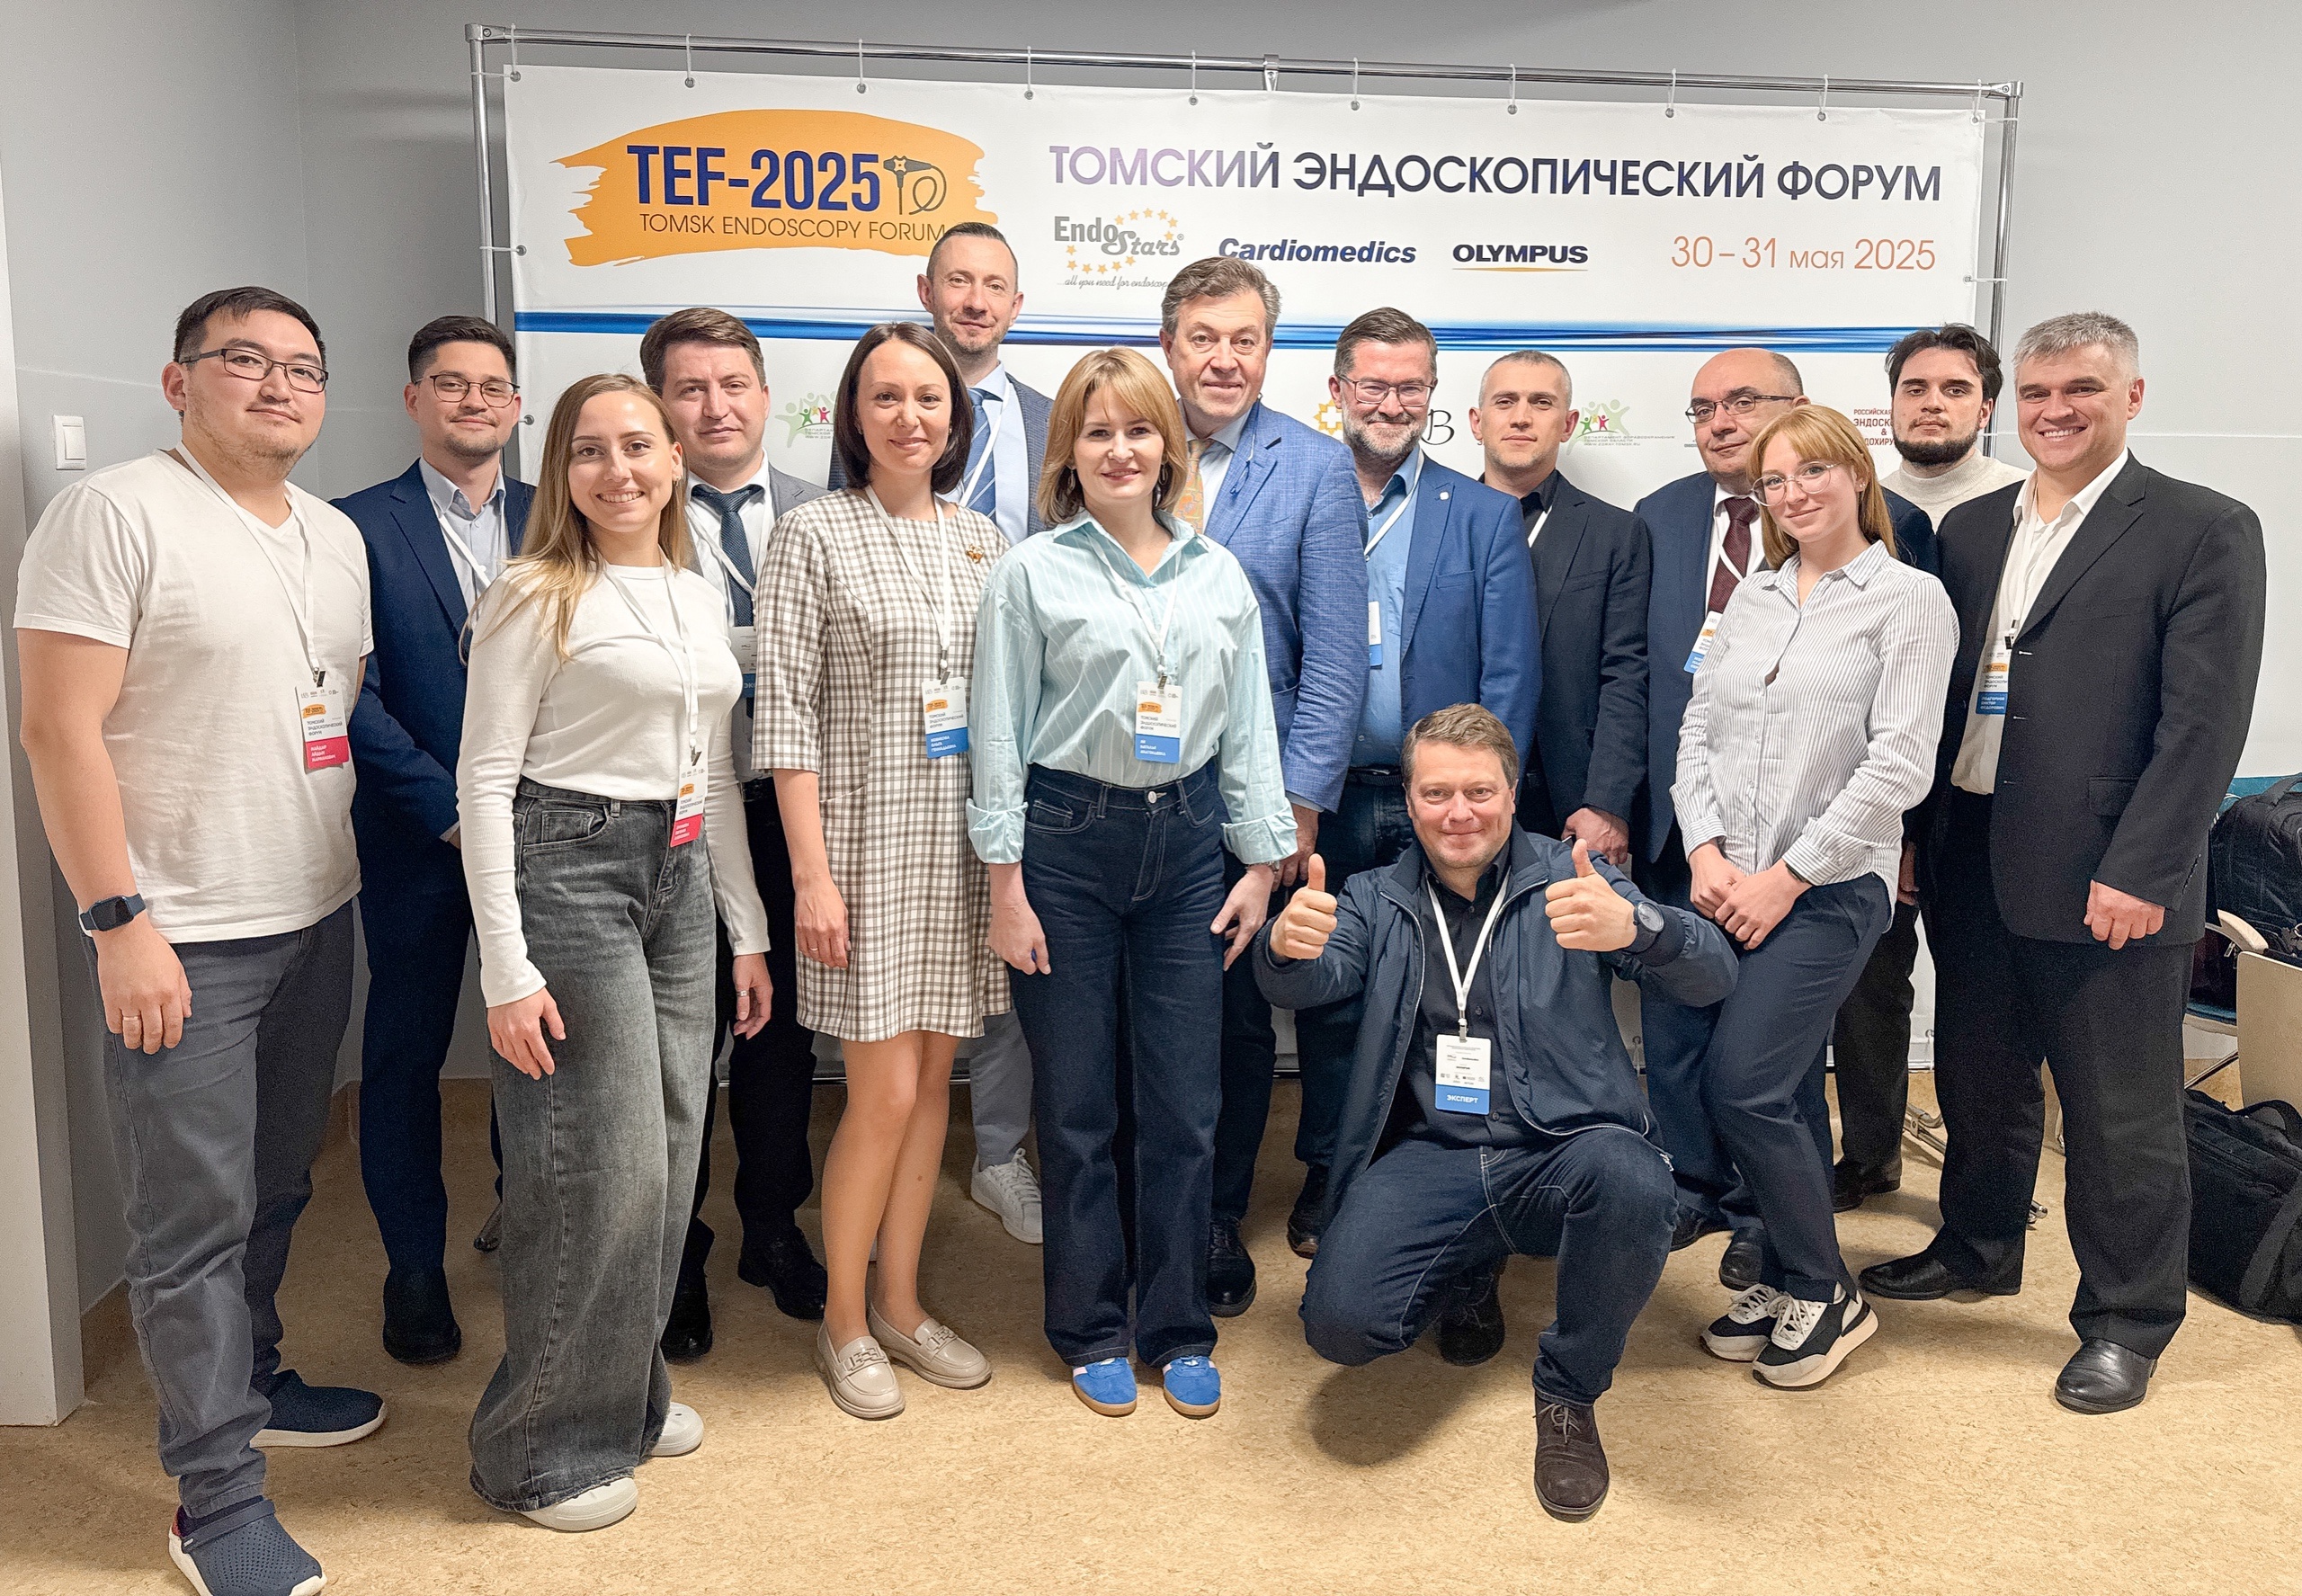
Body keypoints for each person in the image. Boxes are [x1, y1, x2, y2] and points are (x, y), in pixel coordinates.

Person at [15, 285, 383, 1596]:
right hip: (183, 935)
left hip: (316, 911)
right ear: (180, 382)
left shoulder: (335, 536)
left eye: (304, 367)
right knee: (190, 1222)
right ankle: (214, 1498)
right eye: (245, 360)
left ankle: (257, 1379)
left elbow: (325, 706)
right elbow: (56, 727)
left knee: (277, 1181)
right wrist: (116, 919)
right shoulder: (113, 513)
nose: (279, 385)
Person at [1863, 312, 2267, 1415]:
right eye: (2038, 392)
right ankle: (1979, 1243)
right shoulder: (1973, 526)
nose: (2056, 410)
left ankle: (2127, 1318)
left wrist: (2144, 867)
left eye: (2081, 389)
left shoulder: (2200, 526)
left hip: (2108, 874)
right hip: (1970, 848)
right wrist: (1909, 834)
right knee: (1979, 1075)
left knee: (2115, 1112)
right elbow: (1941, 694)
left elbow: (2203, 725)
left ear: (2129, 396)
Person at [1261, 704, 1734, 1521]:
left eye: (1479, 791)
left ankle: (1569, 1391)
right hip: (1434, 1152)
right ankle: (1469, 1265)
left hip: (1564, 1146)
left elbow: (1714, 972)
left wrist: (1642, 927)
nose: (1459, 812)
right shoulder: (1375, 896)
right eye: (1436, 792)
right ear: (1409, 801)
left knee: (1634, 1183)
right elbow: (1311, 977)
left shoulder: (1573, 876)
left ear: (1513, 795)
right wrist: (1283, 949)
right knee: (1340, 1325)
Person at [458, 372, 770, 1531]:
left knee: (675, 1151)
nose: (617, 469)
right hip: (569, 868)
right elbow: (484, 778)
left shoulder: (694, 588)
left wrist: (747, 927)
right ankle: (536, 1449)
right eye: (589, 450)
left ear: (675, 459)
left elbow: (711, 774)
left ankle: (623, 1399)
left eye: (638, 445)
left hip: (676, 873)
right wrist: (506, 968)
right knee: (596, 1162)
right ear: (562, 472)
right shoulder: (533, 591)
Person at [971, 346, 1293, 1419]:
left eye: (1140, 429)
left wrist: (1260, 860)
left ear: (1169, 447)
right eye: (1098, 430)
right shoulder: (1030, 572)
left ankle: (1177, 1324)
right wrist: (1004, 882)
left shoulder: (1216, 573)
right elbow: (998, 733)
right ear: (1068, 449)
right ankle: (1091, 1325)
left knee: (1184, 1106)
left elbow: (1248, 727)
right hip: (1064, 845)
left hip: (1190, 845)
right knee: (1076, 1106)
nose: (1120, 449)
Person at [1637, 348, 1935, 1290]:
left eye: (1812, 470)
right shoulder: (1755, 594)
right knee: (1765, 1083)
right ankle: (1778, 1267)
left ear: (1856, 472)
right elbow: (1697, 728)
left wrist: (1786, 876)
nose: (1792, 492)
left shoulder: (1907, 598)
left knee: (1748, 1081)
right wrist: (1704, 848)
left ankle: (1819, 1286)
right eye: (1774, 480)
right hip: (1725, 876)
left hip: (1828, 888)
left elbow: (1899, 763)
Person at [754, 321, 1008, 1420]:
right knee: (882, 1093)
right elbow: (786, 719)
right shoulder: (810, 534)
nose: (910, 416)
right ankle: (844, 1320)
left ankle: (901, 1302)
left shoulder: (985, 541)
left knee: (935, 1087)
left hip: (960, 848)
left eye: (930, 397)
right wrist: (811, 876)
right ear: (853, 414)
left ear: (956, 417)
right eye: (887, 396)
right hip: (861, 849)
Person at [1287, 309, 1537, 1281]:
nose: (1392, 403)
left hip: (1446, 807)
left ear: (1432, 395)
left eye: (1411, 387)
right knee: (1332, 993)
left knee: (1458, 998)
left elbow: (1508, 676)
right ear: (1338, 391)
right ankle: (1329, 1168)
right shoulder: (1297, 497)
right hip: (1326, 797)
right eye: (1374, 385)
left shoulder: (1481, 515)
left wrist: (1486, 802)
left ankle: (1446, 1171)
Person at [1155, 254, 1368, 1315]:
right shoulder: (1124, 441)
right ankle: (1147, 1203)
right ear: (1170, 345)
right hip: (1127, 787)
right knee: (1144, 1014)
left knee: (1236, 1022)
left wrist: (1297, 808)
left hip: (1252, 793)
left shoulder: (1316, 467)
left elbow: (1333, 657)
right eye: (1203, 337)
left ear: (1268, 350)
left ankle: (1213, 1213)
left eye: (1243, 339)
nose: (1223, 358)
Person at [337, 313, 532, 1367]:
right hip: (419, 839)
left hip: (543, 836)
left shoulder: (560, 512)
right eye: (450, 384)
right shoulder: (352, 526)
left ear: (516, 405)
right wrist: (446, 804)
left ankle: (526, 1216)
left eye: (492, 386)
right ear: (414, 399)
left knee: (537, 1043)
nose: (473, 401)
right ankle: (412, 1265)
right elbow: (345, 689)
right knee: (406, 1053)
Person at [640, 307, 830, 1358]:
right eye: (689, 388)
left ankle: (772, 1224)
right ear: (661, 405)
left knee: (781, 1039)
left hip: (792, 810)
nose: (715, 406)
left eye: (732, 384)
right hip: (672, 820)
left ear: (764, 395)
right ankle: (676, 1250)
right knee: (677, 1045)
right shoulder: (632, 512)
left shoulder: (822, 511)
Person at [1830, 325, 2028, 1212]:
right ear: (1891, 403)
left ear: (1986, 404)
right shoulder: (1856, 506)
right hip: (1874, 796)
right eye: (1915, 387)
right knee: (1867, 985)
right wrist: (1896, 823)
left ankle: (1985, 1193)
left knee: (1986, 1005)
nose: (1932, 403)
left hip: (1987, 798)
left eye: (1954, 388)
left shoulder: (2028, 507)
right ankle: (1870, 1153)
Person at [910, 221, 1057, 1244]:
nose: (974, 299)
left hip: (1032, 722)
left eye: (992, 284)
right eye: (957, 281)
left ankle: (999, 1150)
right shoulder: (886, 408)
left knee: (1014, 940)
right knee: (914, 936)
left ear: (1015, 303)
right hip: (907, 722)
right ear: (927, 291)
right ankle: (899, 1139)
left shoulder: (1053, 420)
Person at [1470, 350, 1650, 869]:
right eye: (1505, 401)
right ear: (1477, 423)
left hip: (1571, 804)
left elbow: (1627, 675)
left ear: (1569, 424)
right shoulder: (1436, 522)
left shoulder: (1617, 533)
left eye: (1541, 403)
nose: (1521, 417)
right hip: (1455, 795)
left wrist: (1607, 802)